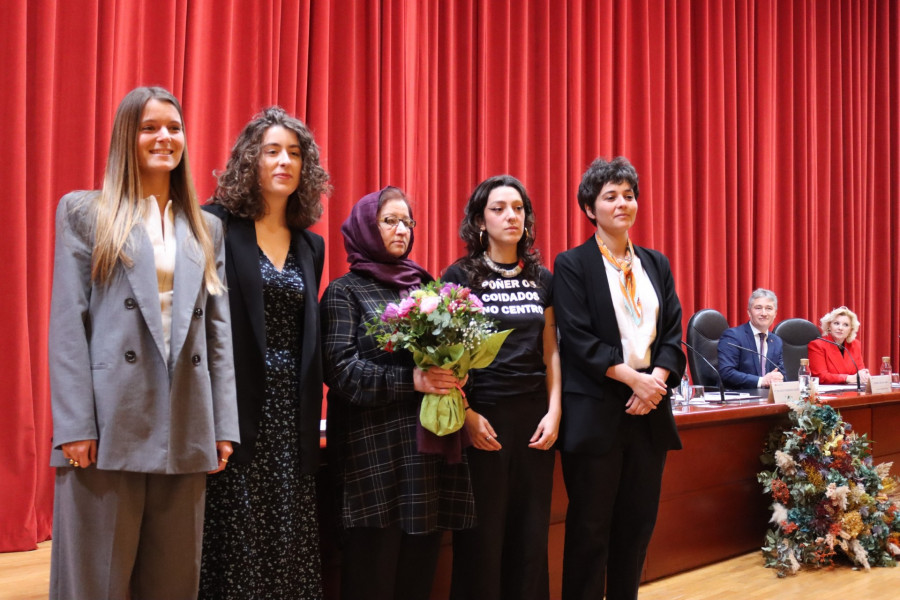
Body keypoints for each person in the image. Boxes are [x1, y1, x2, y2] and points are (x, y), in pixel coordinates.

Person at [48, 86, 238, 599]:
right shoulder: (86, 212)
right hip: (108, 426)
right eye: (150, 127)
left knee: (173, 582)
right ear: (126, 136)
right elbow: (69, 327)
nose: (165, 138)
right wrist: (74, 425)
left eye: (174, 128)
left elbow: (216, 334)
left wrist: (223, 424)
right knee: (94, 583)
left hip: (186, 422)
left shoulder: (207, 227)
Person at [199, 107, 332, 598]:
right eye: (272, 151)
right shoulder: (214, 224)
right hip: (235, 404)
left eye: (294, 154)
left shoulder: (310, 245)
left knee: (286, 531)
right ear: (250, 160)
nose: (284, 162)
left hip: (291, 410)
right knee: (234, 536)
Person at [321, 187, 476, 600]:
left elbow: (458, 355)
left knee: (417, 574)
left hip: (425, 458)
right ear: (366, 228)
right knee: (371, 574)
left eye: (408, 221)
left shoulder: (428, 288)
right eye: (390, 220)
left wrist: (457, 375)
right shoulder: (345, 291)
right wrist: (412, 381)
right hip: (372, 458)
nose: (402, 229)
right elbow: (340, 371)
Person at [553, 157, 685, 600]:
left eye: (628, 195)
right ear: (590, 208)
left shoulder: (655, 263)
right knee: (591, 529)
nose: (622, 203)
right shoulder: (572, 264)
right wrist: (634, 380)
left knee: (636, 526)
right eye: (610, 196)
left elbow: (672, 332)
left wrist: (656, 382)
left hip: (648, 411)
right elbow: (576, 337)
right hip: (598, 411)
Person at [443, 175, 560, 600]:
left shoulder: (542, 278)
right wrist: (467, 415)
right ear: (479, 220)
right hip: (483, 416)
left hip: (534, 419)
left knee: (530, 535)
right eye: (498, 208)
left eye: (518, 208)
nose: (511, 216)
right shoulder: (459, 275)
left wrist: (555, 411)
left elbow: (551, 351)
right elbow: (446, 357)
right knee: (482, 536)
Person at [717, 289, 785, 389]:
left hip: (768, 400)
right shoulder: (732, 336)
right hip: (739, 399)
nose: (764, 313)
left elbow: (783, 374)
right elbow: (726, 373)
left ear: (775, 314)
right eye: (758, 308)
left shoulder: (776, 341)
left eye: (769, 308)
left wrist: (779, 378)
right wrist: (762, 381)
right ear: (749, 312)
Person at [807, 306, 869, 385]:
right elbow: (820, 376)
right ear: (829, 326)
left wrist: (864, 375)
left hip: (852, 391)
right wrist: (848, 378)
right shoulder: (817, 345)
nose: (840, 328)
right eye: (836, 323)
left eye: (846, 325)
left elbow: (860, 371)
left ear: (851, 329)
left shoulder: (855, 344)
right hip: (829, 394)